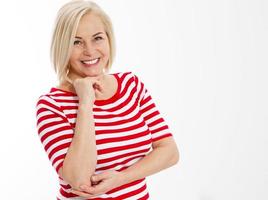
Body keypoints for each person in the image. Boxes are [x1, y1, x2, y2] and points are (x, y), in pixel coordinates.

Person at [35, 0, 179, 199]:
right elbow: (79, 179)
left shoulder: (131, 85)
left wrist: (121, 178)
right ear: (63, 47)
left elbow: (169, 151)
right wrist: (85, 103)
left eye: (97, 38)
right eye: (76, 41)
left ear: (109, 39)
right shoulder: (52, 105)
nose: (90, 50)